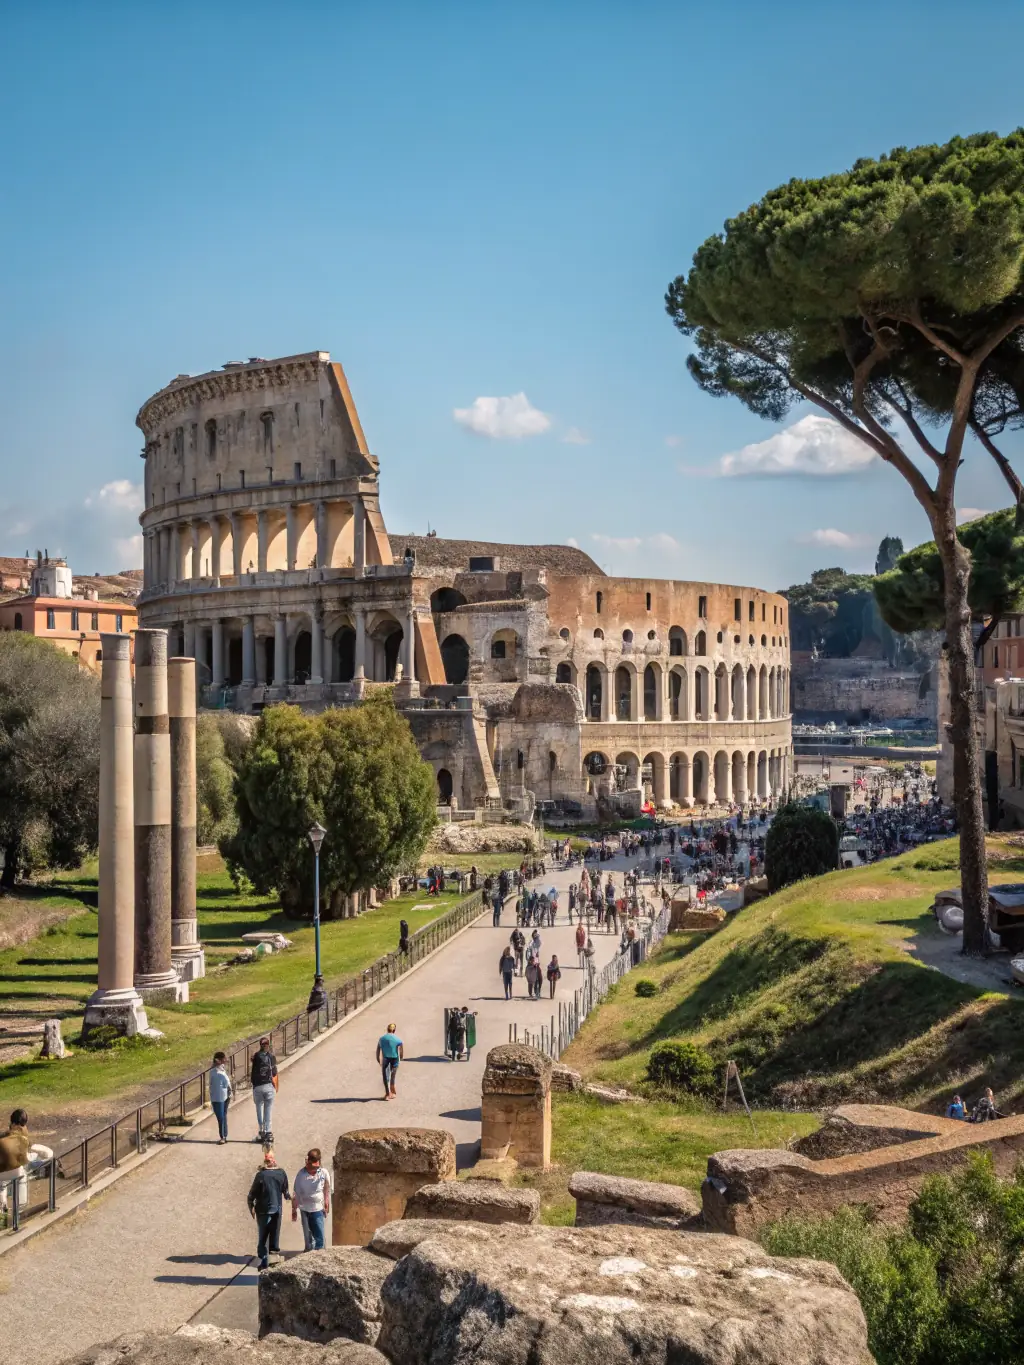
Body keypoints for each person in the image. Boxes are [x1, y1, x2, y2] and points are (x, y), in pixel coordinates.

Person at [247, 1149, 290, 1270]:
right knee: (274, 1236)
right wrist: (290, 1200)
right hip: (276, 1209)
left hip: (264, 1211)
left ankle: (265, 1261)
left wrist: (251, 1206)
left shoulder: (261, 1175)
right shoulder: (281, 1173)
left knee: (263, 1237)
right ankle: (272, 1261)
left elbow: (252, 1194)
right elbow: (285, 1191)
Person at [292, 1147, 331, 1251]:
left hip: (318, 1209)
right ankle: (309, 1253)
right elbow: (295, 1193)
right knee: (308, 1237)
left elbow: (326, 1188)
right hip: (304, 1209)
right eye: (312, 1167)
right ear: (307, 1162)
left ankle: (321, 1255)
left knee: (320, 1236)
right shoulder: (301, 1174)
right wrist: (294, 1209)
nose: (314, 1170)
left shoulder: (323, 1172)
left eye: (316, 1167)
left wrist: (327, 1202)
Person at [250, 1036, 278, 1145]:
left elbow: (253, 1063)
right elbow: (274, 1073)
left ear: (260, 1045)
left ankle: (261, 1132)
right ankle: (269, 1133)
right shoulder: (271, 1057)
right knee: (268, 1110)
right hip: (268, 1086)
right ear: (268, 1045)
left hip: (257, 1086)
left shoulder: (256, 1056)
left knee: (259, 1109)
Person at [209, 1052, 233, 1143]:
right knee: (222, 1116)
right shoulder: (216, 1071)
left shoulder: (219, 1071)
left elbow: (225, 1082)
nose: (225, 1060)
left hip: (221, 1097)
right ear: (218, 1060)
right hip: (219, 1096)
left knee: (221, 1117)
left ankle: (223, 1136)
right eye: (223, 1059)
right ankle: (224, 1135)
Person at [376, 1022, 403, 1098]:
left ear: (387, 1029)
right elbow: (401, 1052)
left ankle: (387, 1093)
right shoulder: (398, 1040)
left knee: (385, 1075)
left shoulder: (382, 1039)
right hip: (395, 1059)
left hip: (385, 1059)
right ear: (394, 1030)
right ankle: (392, 1087)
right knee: (393, 1075)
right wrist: (400, 1058)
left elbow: (378, 1050)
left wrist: (378, 1059)